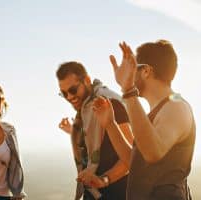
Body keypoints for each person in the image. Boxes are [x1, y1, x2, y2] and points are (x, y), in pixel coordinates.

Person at [85, 40, 195, 199]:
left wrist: (128, 90)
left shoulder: (176, 106)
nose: (129, 74)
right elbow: (135, 163)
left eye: (133, 68)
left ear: (145, 71)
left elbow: (153, 153)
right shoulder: (156, 112)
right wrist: (110, 124)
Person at [56, 61, 133, 200]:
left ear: (87, 80)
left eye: (73, 90)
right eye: (64, 93)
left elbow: (132, 157)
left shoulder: (110, 103)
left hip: (116, 192)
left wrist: (104, 180)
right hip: (93, 192)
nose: (69, 97)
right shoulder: (85, 108)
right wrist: (73, 131)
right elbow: (98, 139)